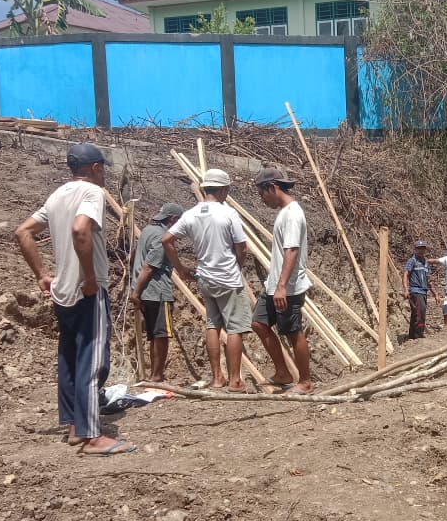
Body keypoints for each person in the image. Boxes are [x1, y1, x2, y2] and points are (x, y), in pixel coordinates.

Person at [14, 142, 137, 456]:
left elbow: (22, 232)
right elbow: (80, 230)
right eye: (103, 169)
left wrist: (42, 274)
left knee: (70, 357)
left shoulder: (57, 196)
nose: (104, 175)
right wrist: (91, 278)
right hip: (86, 292)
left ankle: (73, 427)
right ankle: (92, 436)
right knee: (93, 359)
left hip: (62, 292)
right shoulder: (92, 193)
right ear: (95, 168)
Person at [162, 168, 251, 392]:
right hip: (228, 279)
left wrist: (180, 268)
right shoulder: (228, 213)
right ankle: (234, 381)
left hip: (206, 278)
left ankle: (217, 378)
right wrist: (237, 266)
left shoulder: (191, 214)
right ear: (223, 190)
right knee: (235, 329)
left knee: (212, 325)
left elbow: (167, 240)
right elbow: (241, 246)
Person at [251, 167, 314, 395]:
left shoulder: (293, 214)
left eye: (262, 193)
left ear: (272, 187)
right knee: (258, 323)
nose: (263, 199)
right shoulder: (285, 212)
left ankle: (305, 382)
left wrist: (281, 287)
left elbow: (292, 251)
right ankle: (283, 373)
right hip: (275, 284)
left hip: (287, 287)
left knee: (292, 331)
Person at [130, 202, 184, 383]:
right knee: (161, 335)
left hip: (146, 293)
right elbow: (148, 268)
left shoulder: (147, 231)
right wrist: (136, 293)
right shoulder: (162, 238)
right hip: (157, 292)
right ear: (173, 219)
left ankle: (155, 374)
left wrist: (137, 291)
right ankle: (157, 374)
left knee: (154, 335)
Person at [403, 240, 439, 339]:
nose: (421, 250)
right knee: (420, 313)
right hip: (415, 291)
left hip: (423, 292)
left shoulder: (426, 263)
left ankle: (412, 337)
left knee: (417, 313)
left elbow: (429, 280)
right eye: (419, 248)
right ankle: (418, 337)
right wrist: (406, 289)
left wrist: (435, 294)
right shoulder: (412, 261)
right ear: (415, 249)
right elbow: (406, 274)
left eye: (423, 248)